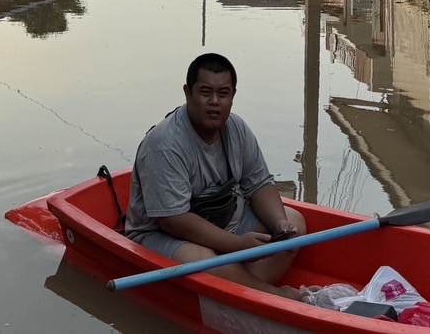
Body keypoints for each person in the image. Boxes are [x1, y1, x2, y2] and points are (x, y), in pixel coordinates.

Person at [124, 53, 308, 300]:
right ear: (188, 92)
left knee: (295, 220)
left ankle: (236, 286)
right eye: (205, 92)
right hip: (161, 234)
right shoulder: (164, 145)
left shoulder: (237, 129)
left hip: (224, 221)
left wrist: (280, 225)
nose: (214, 102)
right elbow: (173, 220)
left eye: (223, 94)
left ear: (233, 96)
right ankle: (271, 295)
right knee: (201, 260)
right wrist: (236, 245)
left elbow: (259, 185)